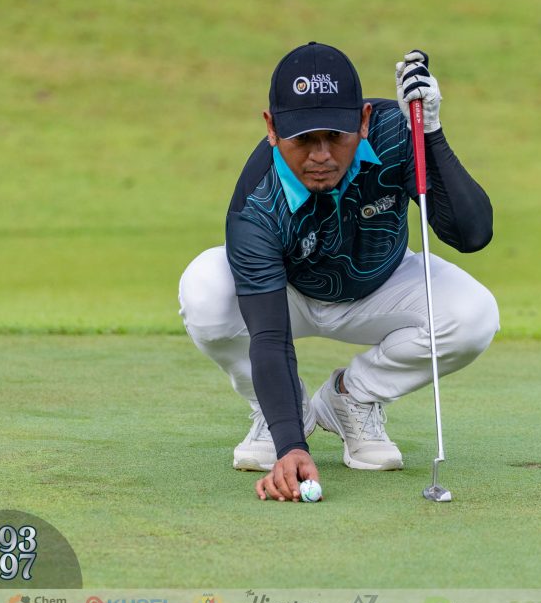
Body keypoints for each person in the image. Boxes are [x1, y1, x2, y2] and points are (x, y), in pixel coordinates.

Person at [178, 42, 499, 502]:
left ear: (364, 121)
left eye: (336, 135)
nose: (321, 155)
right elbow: (268, 336)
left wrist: (430, 133)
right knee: (204, 287)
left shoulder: (397, 132)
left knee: (475, 314)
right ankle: (277, 413)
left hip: (382, 285)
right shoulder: (257, 202)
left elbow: (472, 234)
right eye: (303, 139)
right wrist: (291, 445)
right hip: (287, 295)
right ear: (272, 129)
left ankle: (352, 397)